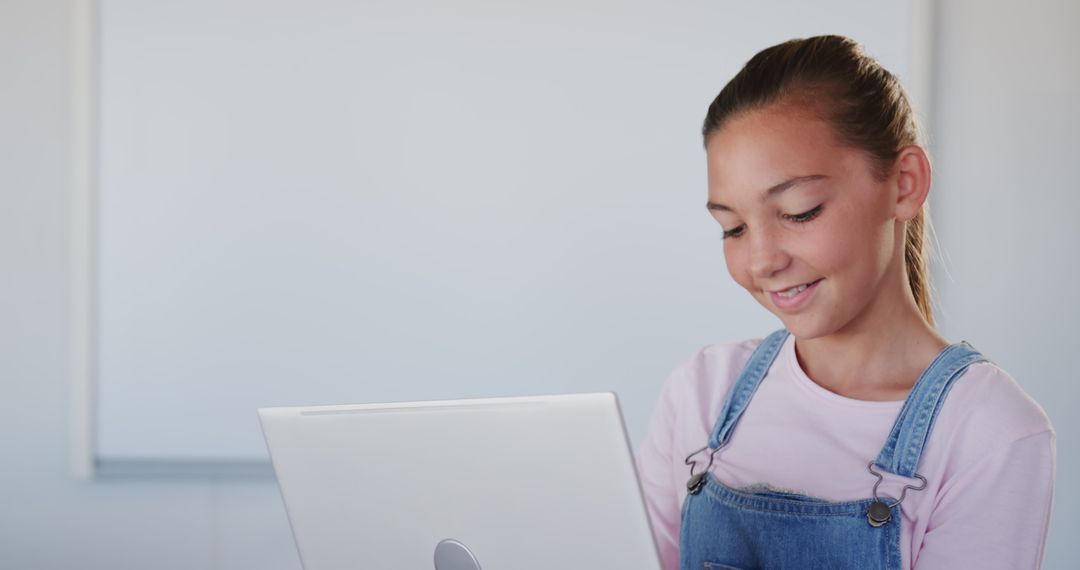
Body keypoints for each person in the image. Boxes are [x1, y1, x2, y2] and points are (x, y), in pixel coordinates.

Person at [635, 35, 1055, 570]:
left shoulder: (987, 431)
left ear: (904, 183)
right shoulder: (701, 391)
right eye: (733, 228)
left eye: (800, 211)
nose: (762, 261)